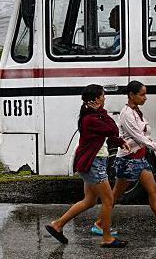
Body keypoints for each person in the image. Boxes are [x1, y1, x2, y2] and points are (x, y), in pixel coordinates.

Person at [45, 84, 129, 248]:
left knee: (90, 201)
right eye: (103, 96)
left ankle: (57, 225)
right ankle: (106, 237)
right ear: (96, 99)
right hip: (94, 163)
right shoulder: (91, 118)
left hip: (93, 162)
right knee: (108, 199)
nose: (105, 98)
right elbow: (112, 129)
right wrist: (102, 112)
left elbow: (107, 135)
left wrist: (119, 142)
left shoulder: (92, 117)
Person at [101, 80, 156, 235]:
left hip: (139, 158)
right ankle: (100, 224)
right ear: (131, 95)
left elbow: (144, 136)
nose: (145, 98)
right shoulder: (127, 114)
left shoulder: (137, 111)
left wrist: (152, 143)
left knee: (153, 190)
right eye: (142, 94)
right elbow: (139, 137)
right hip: (128, 160)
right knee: (115, 195)